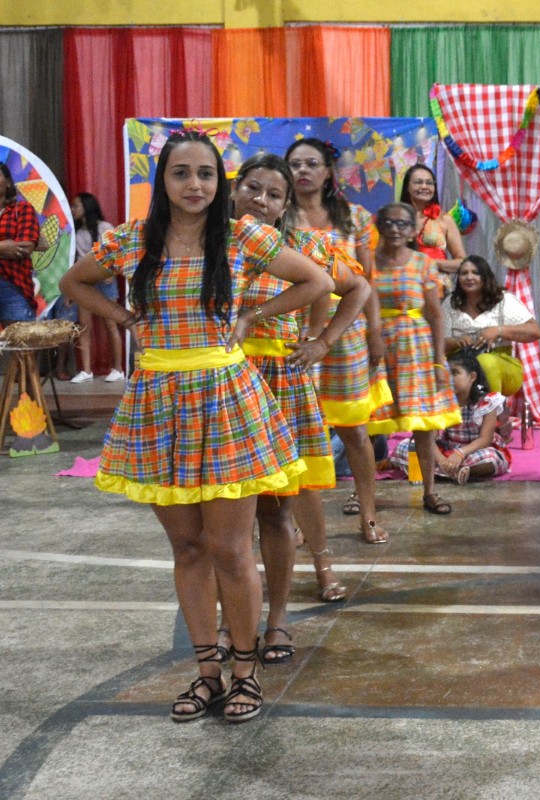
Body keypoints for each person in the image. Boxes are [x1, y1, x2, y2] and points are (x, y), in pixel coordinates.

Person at [58, 130, 335, 723]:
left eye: (206, 174)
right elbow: (72, 282)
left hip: (225, 400)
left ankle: (245, 672)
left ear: (220, 182)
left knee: (232, 550)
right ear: (163, 180)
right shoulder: (134, 240)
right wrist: (124, 317)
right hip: (158, 400)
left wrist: (253, 315)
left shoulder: (241, 235)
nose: (194, 185)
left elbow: (319, 281)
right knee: (186, 548)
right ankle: (206, 673)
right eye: (181, 173)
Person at [225, 153, 370, 661]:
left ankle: (278, 621)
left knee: (274, 511)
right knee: (224, 518)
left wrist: (323, 341)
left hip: (280, 386)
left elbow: (356, 287)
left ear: (286, 205)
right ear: (235, 189)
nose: (260, 201)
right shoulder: (206, 244)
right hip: (221, 386)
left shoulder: (307, 246)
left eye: (273, 194)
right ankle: (231, 622)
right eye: (252, 188)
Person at [285, 137, 390, 543]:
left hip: (345, 335)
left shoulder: (355, 218)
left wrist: (376, 332)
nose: (303, 171)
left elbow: (367, 280)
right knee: (291, 432)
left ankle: (368, 515)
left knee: (355, 431)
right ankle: (289, 522)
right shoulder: (279, 216)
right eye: (295, 164)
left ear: (328, 171)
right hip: (293, 334)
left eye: (312, 163)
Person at [372, 202, 460, 514]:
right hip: (376, 350)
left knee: (424, 426)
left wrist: (438, 361)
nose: (395, 228)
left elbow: (435, 316)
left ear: (412, 230)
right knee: (369, 425)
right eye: (389, 222)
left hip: (416, 350)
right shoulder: (367, 262)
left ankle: (429, 492)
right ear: (379, 226)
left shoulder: (423, 263)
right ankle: (361, 495)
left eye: (402, 223)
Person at [392, 350, 512, 483]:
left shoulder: (487, 401)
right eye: (446, 373)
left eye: (455, 373)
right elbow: (430, 438)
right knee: (407, 446)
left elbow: (485, 439)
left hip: (474, 450)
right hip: (447, 450)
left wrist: (460, 454)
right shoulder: (441, 400)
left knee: (490, 457)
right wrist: (441, 460)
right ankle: (452, 471)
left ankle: (457, 471)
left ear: (472, 377)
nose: (449, 378)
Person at [442, 255, 540, 397]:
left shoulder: (502, 299)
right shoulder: (451, 303)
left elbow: (535, 331)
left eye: (475, 273)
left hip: (502, 365)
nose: (469, 277)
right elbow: (439, 343)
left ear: (485, 277)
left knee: (484, 362)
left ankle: (493, 411)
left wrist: (499, 331)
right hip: (462, 363)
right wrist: (455, 342)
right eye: (464, 273)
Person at [55, 193, 123, 382]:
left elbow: (117, 252)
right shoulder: (76, 232)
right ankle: (86, 370)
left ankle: (118, 369)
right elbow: (75, 262)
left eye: (76, 205)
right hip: (85, 283)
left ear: (87, 206)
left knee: (111, 323)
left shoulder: (104, 227)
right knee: (84, 327)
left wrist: (111, 272)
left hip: (105, 280)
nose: (73, 209)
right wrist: (70, 289)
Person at [399, 164, 466, 287]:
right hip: (403, 287)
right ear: (407, 187)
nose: (424, 186)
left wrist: (432, 263)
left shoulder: (445, 219)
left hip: (437, 288)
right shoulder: (397, 218)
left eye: (429, 183)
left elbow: (462, 262)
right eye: (418, 182)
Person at [0, 163, 39, 325]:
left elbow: (25, 247)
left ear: (8, 182)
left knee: (20, 346)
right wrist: (5, 247)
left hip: (14, 285)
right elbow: (12, 249)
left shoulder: (22, 209)